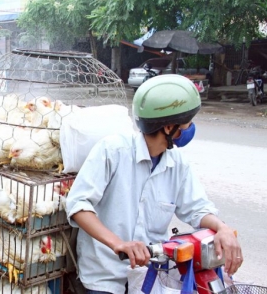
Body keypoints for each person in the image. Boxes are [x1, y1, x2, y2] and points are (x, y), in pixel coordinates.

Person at [65, 74, 242, 294]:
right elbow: (78, 205)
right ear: (169, 128)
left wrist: (222, 228)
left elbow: (197, 208)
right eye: (187, 123)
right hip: (105, 277)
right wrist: (118, 244)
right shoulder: (113, 151)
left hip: (150, 275)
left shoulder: (177, 164)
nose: (190, 128)